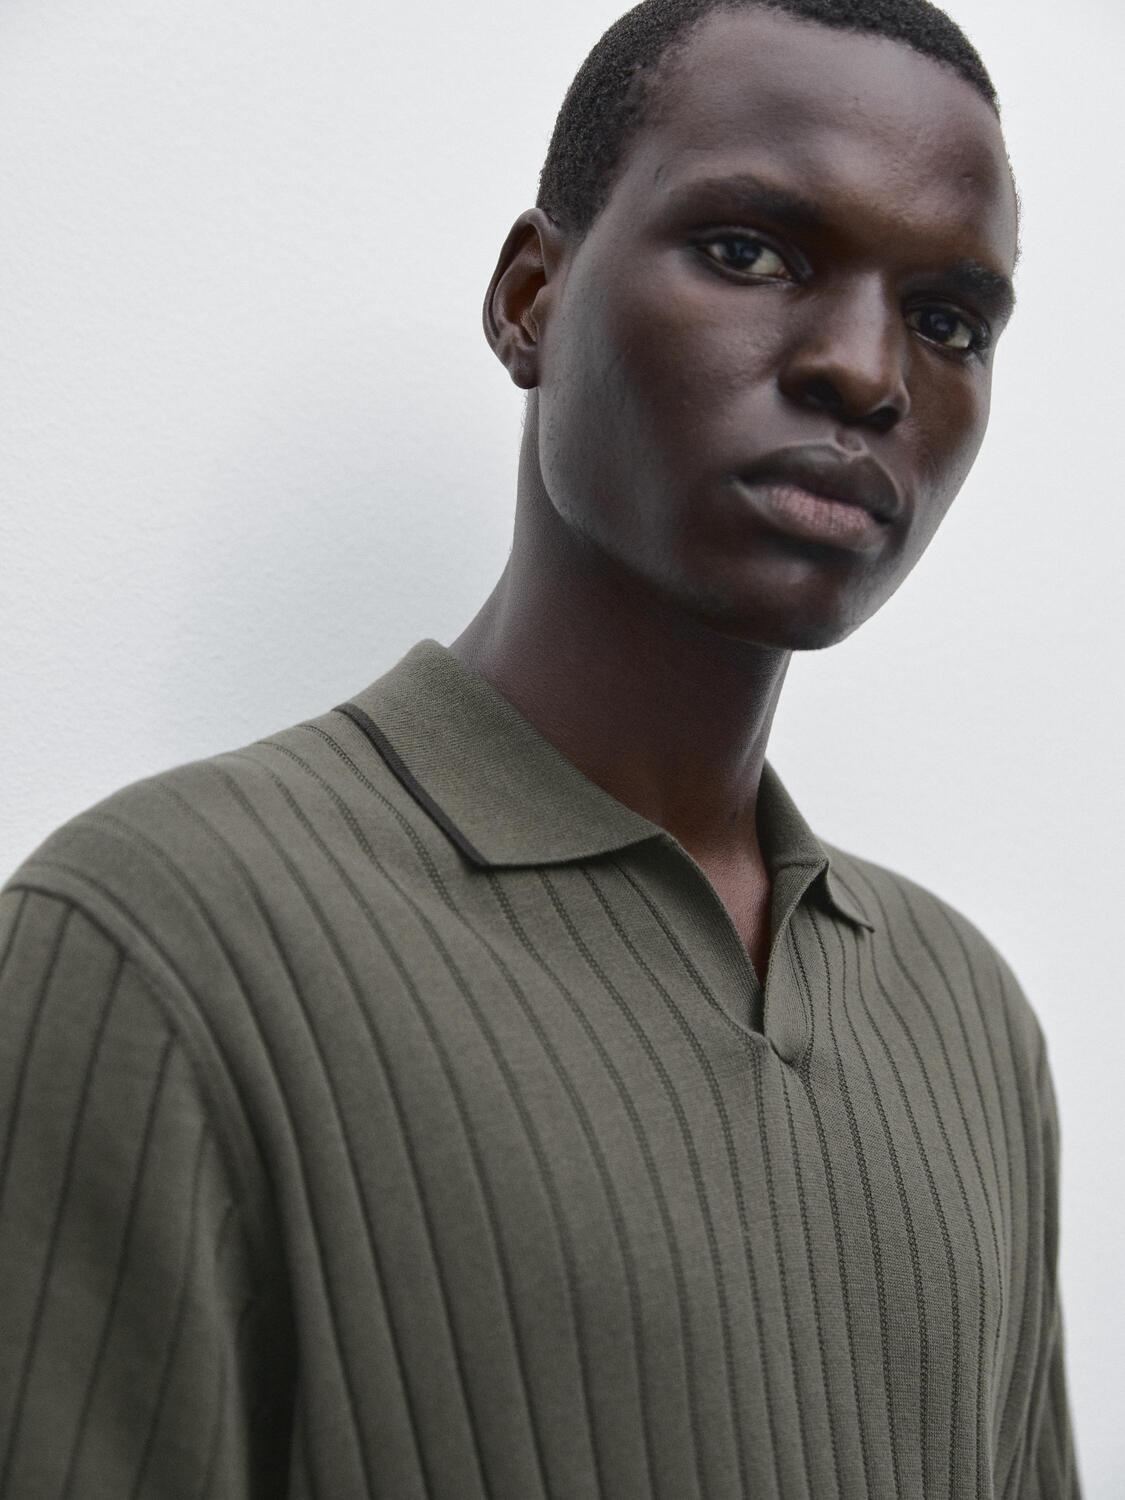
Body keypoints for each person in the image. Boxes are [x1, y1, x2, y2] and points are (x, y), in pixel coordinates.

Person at [0, 0, 1082, 1495]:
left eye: (948, 322)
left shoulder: (965, 1018)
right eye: (749, 252)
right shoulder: (158, 935)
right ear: (529, 299)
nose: (864, 370)